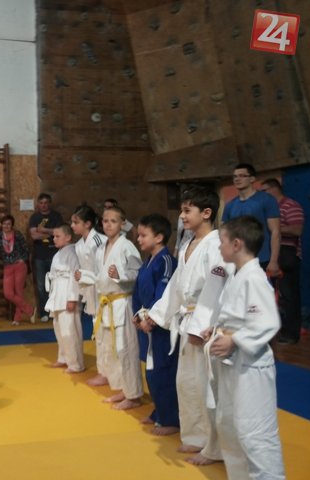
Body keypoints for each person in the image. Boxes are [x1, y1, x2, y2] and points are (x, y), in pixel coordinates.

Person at [147, 185, 229, 466]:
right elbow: (176, 286)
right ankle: (195, 436)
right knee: (187, 382)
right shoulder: (187, 244)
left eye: (186, 210)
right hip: (186, 321)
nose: (182, 215)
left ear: (206, 213)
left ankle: (214, 446)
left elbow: (216, 287)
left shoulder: (216, 245)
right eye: (182, 210)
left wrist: (200, 327)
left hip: (205, 326)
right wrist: (156, 314)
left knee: (207, 386)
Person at [202, 216, 284, 479]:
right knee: (229, 425)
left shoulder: (254, 277)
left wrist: (234, 339)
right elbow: (235, 316)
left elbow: (267, 322)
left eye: (222, 242)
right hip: (232, 362)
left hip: (251, 365)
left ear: (236, 244)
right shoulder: (237, 274)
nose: (219, 247)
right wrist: (216, 330)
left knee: (254, 432)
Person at [132, 214, 179, 436]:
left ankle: (170, 419)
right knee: (150, 371)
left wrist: (152, 318)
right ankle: (159, 411)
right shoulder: (148, 261)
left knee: (163, 371)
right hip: (147, 321)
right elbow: (138, 292)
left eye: (143, 235)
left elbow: (165, 295)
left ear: (159, 237)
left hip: (161, 325)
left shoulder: (167, 261)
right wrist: (137, 314)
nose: (139, 239)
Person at [94, 206, 143, 410]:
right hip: (107, 303)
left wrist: (119, 275)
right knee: (112, 350)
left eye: (113, 221)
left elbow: (137, 273)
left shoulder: (127, 246)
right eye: (105, 221)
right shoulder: (101, 247)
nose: (108, 225)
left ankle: (134, 395)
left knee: (126, 349)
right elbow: (99, 277)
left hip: (122, 303)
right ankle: (124, 389)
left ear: (122, 224)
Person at [261, 178, 305, 344]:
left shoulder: (290, 205)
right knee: (269, 295)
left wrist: (273, 229)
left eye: (265, 190)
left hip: (287, 254)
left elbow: (297, 229)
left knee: (288, 295)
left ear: (274, 189)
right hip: (271, 253)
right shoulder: (269, 208)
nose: (263, 194)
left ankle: (291, 333)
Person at [69, 204, 107, 385]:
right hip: (90, 292)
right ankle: (103, 371)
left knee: (104, 333)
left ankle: (106, 372)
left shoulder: (99, 241)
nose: (72, 226)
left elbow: (103, 270)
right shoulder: (78, 245)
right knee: (97, 332)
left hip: (103, 291)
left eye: (76, 222)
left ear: (88, 224)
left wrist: (84, 276)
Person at [222, 163, 280, 277]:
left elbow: (275, 231)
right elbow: (225, 234)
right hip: (237, 260)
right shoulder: (230, 205)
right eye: (235, 176)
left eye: (242, 176)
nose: (237, 179)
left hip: (262, 258)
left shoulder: (266, 200)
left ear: (252, 179)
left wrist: (273, 261)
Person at [45, 224, 84, 373]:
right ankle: (63, 358)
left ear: (68, 237)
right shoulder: (58, 253)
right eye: (53, 236)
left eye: (57, 236)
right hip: (57, 295)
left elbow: (76, 277)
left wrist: (73, 298)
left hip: (67, 295)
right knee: (59, 329)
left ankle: (76, 364)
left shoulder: (72, 253)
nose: (54, 239)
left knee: (70, 332)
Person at [29, 193, 63, 323]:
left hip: (54, 255)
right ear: (38, 204)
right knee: (41, 286)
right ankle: (44, 312)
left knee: (56, 284)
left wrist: (43, 229)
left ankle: (55, 310)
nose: (43, 205)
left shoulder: (56, 216)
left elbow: (60, 232)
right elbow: (34, 236)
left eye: (46, 203)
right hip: (39, 256)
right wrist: (51, 233)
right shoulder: (35, 217)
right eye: (41, 203)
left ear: (49, 203)